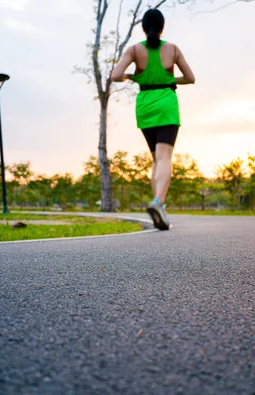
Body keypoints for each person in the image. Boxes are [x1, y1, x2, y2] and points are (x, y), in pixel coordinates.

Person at [111, 8, 195, 230]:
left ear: (143, 28)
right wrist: (169, 79)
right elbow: (190, 78)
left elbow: (115, 76)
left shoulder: (134, 50)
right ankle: (158, 202)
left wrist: (133, 75)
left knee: (157, 160)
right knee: (165, 157)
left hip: (146, 108)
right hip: (167, 106)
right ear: (162, 27)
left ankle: (159, 206)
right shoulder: (172, 49)